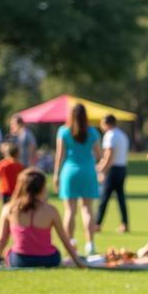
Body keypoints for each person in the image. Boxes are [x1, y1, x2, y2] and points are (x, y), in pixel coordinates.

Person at [0, 168, 86, 269]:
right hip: (49, 260)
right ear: (42, 188)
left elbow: (1, 239)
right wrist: (78, 262)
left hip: (20, 260)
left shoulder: (9, 209)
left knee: (7, 252)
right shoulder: (51, 211)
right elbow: (64, 239)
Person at [54, 102, 101, 256]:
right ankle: (90, 244)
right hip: (88, 171)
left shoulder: (63, 131)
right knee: (87, 209)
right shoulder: (93, 132)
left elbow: (60, 155)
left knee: (70, 211)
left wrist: (56, 175)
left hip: (69, 172)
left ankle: (70, 242)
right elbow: (99, 155)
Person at [96, 114, 130, 234]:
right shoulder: (122, 135)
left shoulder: (110, 135)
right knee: (120, 198)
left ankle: (97, 223)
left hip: (113, 170)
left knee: (104, 198)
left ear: (106, 123)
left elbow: (109, 155)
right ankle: (125, 224)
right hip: (122, 168)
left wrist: (102, 170)